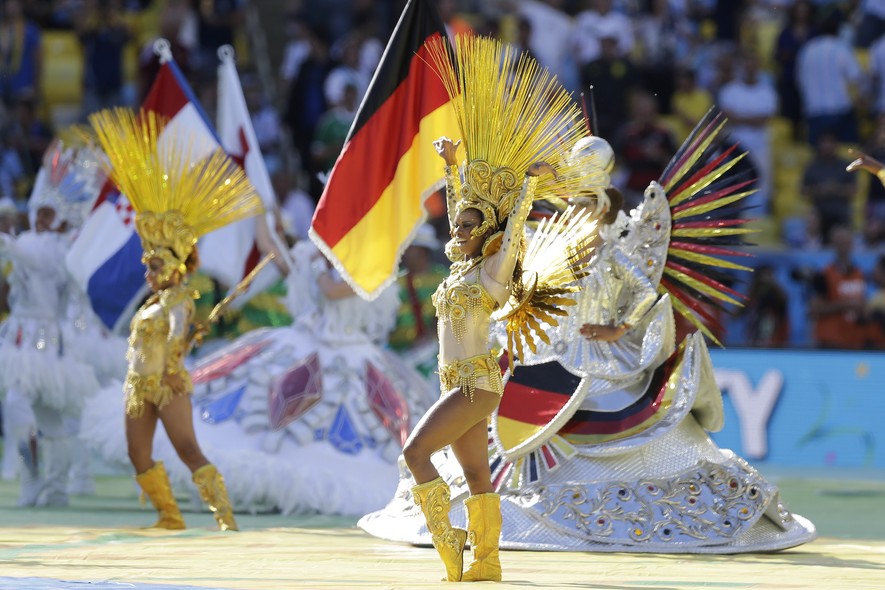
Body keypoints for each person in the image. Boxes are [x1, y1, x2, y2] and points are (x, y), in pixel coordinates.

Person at [361, 111, 817, 554]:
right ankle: (474, 550)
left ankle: (475, 551)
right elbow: (486, 247)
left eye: (585, 205)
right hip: (542, 357)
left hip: (597, 363)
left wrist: (616, 328)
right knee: (480, 464)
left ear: (601, 209)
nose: (577, 213)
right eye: (573, 204)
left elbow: (644, 293)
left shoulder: (613, 254)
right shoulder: (546, 250)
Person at [397, 34, 603, 583]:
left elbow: (508, 234)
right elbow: (455, 215)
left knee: (414, 455)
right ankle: (486, 564)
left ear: (485, 231)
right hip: (456, 384)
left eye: (469, 225)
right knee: (477, 479)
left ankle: (449, 547)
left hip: (475, 385)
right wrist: (452, 164)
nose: (459, 229)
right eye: (458, 223)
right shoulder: (461, 265)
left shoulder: (492, 272)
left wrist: (528, 190)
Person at [84, 107, 263, 530]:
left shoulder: (179, 299)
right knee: (137, 455)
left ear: (177, 267)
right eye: (148, 266)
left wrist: (182, 340)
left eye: (157, 266)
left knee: (187, 449)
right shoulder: (152, 301)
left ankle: (225, 518)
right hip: (138, 385)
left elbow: (179, 331)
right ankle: (169, 515)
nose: (150, 273)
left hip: (167, 386)